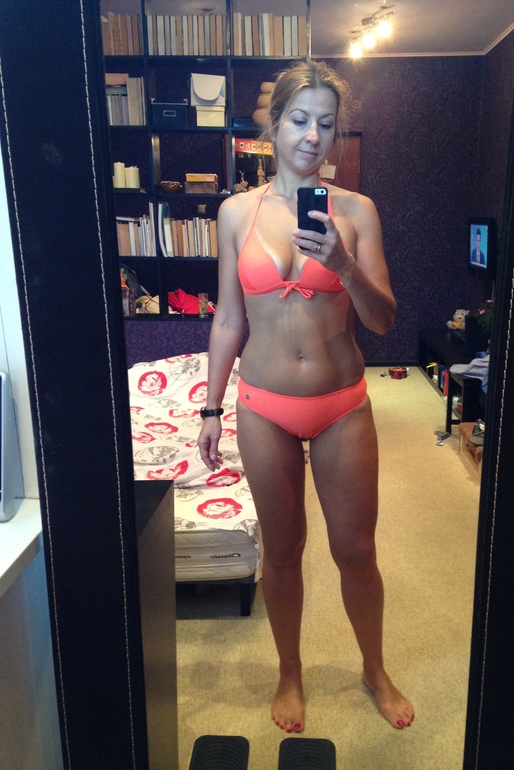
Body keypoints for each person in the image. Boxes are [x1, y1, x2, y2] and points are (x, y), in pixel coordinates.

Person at [197, 60, 414, 734]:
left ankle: (374, 667)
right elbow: (228, 319)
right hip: (263, 406)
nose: (312, 135)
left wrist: (342, 264)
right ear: (274, 126)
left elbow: (383, 320)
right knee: (284, 551)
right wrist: (210, 406)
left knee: (356, 551)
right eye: (299, 120)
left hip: (341, 402)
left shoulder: (357, 211)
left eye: (325, 122)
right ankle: (289, 671)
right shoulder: (236, 213)